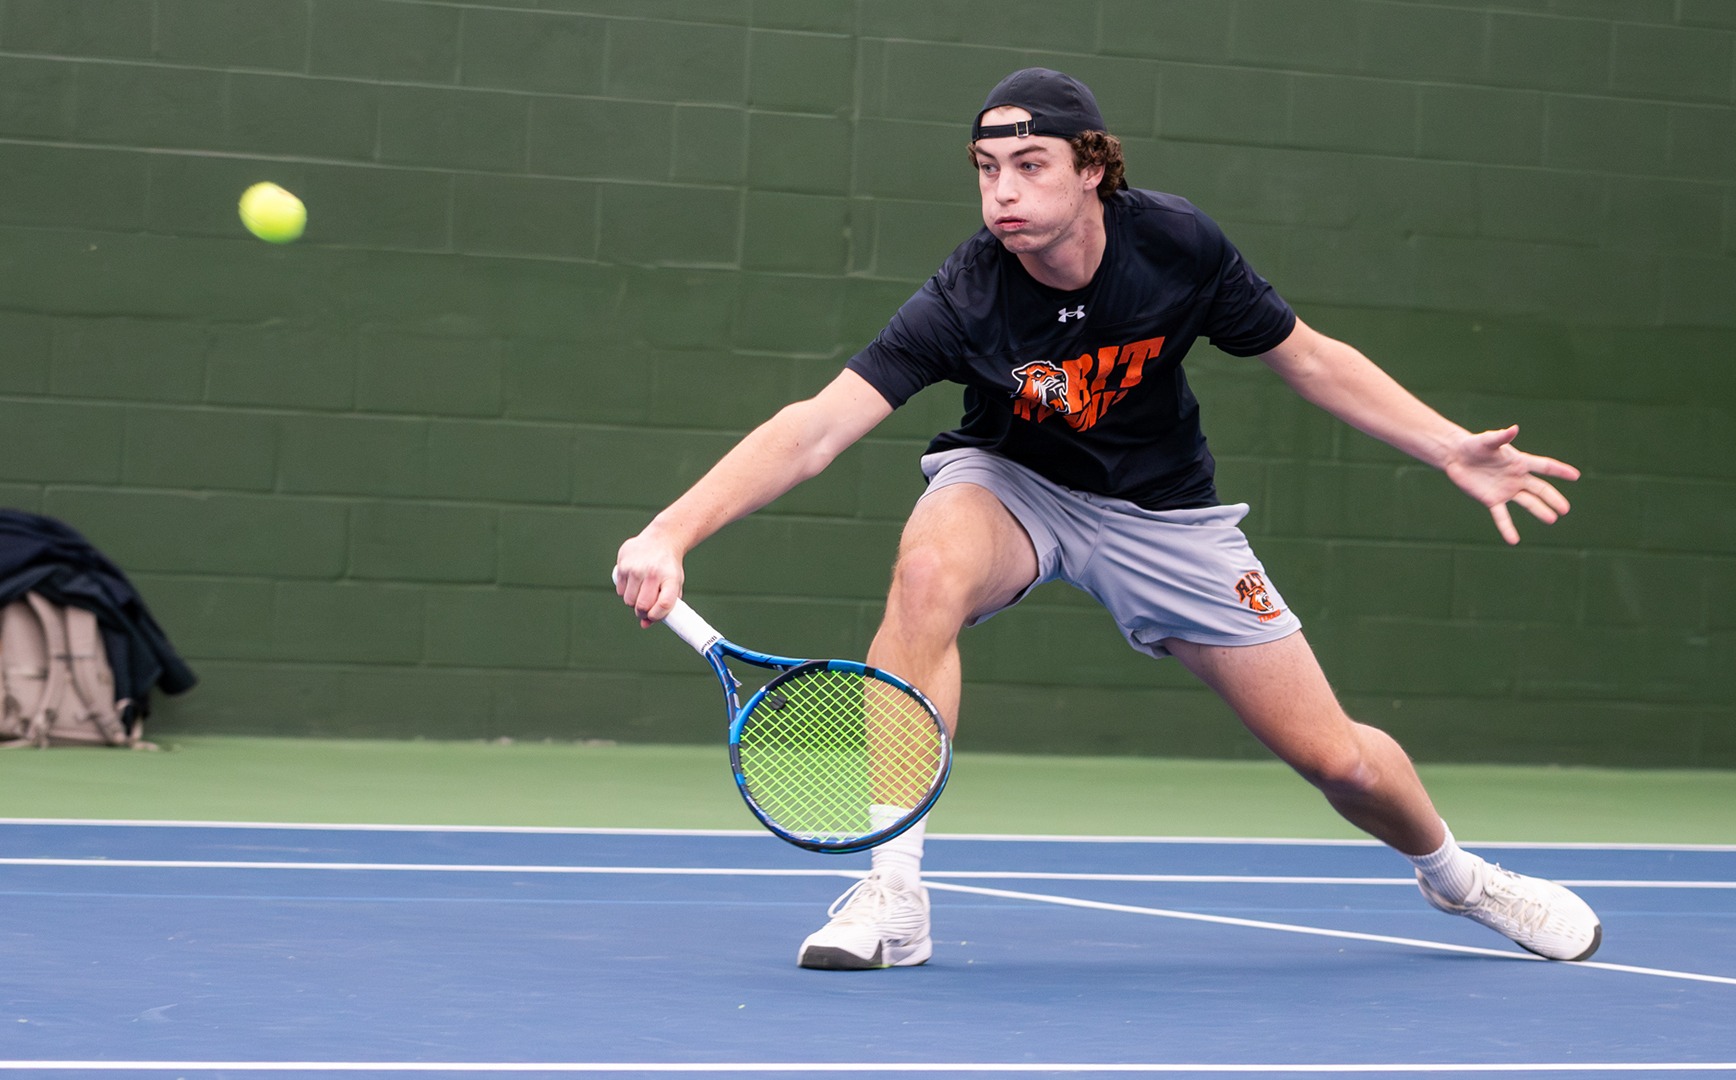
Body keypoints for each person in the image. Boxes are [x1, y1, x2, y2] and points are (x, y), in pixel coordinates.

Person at [613, 68, 1601, 970]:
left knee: (1335, 758)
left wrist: (1445, 447)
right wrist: (672, 529)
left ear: (1093, 168)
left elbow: (1308, 358)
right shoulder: (965, 296)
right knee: (927, 575)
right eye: (986, 169)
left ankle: (1460, 879)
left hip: (1164, 516)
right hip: (1011, 485)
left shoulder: (1178, 247)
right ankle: (894, 894)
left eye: (1029, 165)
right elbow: (816, 428)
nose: (1001, 191)